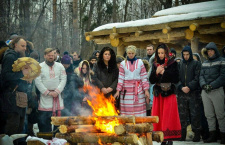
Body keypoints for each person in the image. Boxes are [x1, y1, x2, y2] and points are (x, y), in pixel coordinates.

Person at [149, 43, 181, 145]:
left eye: (162, 53)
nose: (160, 55)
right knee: (159, 116)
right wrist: (156, 72)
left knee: (168, 115)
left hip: (169, 92)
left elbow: (176, 79)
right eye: (159, 53)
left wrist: (164, 73)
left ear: (166, 52)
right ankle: (162, 138)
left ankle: (169, 138)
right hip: (158, 93)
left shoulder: (172, 63)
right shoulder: (155, 63)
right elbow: (151, 80)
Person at [0, 37, 31, 138]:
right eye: (22, 46)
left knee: (19, 127)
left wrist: (27, 79)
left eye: (25, 46)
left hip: (20, 96)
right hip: (11, 97)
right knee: (13, 127)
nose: (24, 48)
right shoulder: (10, 57)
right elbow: (6, 76)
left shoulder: (19, 57)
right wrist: (22, 74)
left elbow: (17, 76)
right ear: (15, 45)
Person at [35, 48, 67, 132]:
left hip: (58, 96)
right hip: (45, 97)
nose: (51, 57)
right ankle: (46, 140)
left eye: (53, 55)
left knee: (58, 123)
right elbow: (37, 81)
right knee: (44, 121)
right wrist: (47, 92)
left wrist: (57, 91)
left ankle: (57, 140)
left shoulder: (60, 66)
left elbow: (63, 79)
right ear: (45, 56)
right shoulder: (39, 67)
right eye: (49, 55)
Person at [199, 42, 225, 144]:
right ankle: (212, 135)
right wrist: (204, 85)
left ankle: (223, 135)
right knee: (209, 115)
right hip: (205, 91)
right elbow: (201, 76)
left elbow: (223, 77)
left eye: (211, 50)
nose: (210, 52)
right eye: (208, 51)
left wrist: (212, 85)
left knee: (220, 114)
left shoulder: (222, 61)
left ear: (215, 51)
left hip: (217, 90)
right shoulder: (204, 63)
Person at [114, 45, 150, 116]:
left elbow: (144, 77)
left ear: (135, 53)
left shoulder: (140, 62)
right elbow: (120, 78)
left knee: (138, 110)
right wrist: (118, 90)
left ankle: (139, 125)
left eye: (132, 53)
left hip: (138, 89)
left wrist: (146, 90)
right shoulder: (123, 64)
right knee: (127, 111)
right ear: (127, 53)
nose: (131, 55)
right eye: (129, 53)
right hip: (126, 90)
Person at [177, 46, 201, 142]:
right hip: (181, 93)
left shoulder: (196, 64)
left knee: (194, 114)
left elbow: (197, 77)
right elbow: (176, 78)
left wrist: (189, 87)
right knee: (182, 114)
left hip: (193, 93)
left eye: (187, 54)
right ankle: (182, 134)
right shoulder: (179, 64)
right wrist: (181, 87)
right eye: (184, 55)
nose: (186, 56)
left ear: (190, 54)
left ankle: (197, 134)